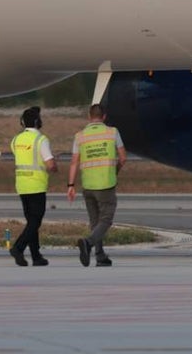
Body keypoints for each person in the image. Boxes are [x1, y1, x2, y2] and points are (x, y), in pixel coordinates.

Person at [67, 103, 126, 267]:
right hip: (106, 183)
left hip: (88, 185)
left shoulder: (80, 136)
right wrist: (114, 171)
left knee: (95, 221)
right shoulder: (112, 132)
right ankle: (88, 242)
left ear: (89, 116)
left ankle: (100, 256)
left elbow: (74, 162)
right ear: (104, 116)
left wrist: (70, 185)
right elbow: (123, 157)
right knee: (106, 220)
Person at [9, 106, 57, 266]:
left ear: (22, 122)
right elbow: (50, 164)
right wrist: (55, 168)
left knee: (31, 221)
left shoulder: (16, 140)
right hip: (36, 185)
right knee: (35, 222)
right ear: (38, 121)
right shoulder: (41, 140)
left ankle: (36, 256)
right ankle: (18, 247)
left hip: (22, 185)